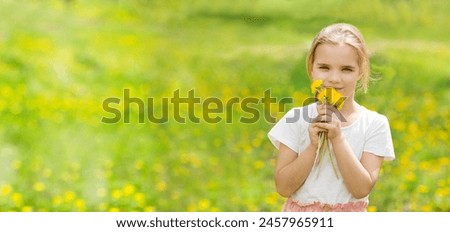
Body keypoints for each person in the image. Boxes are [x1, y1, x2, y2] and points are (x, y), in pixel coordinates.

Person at [268, 23, 395, 212]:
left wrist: (338, 138)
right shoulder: (295, 118)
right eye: (324, 67)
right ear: (312, 69)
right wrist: (312, 147)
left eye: (346, 69)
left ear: (360, 71)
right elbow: (283, 187)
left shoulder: (375, 124)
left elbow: (361, 189)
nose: (334, 78)